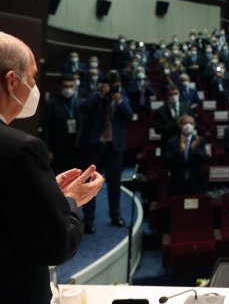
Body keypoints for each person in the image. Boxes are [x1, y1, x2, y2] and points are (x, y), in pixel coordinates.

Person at [0, 32, 104, 304]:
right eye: (32, 77)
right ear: (11, 81)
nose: (34, 87)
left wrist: (44, 195)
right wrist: (69, 199)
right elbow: (58, 245)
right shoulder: (21, 149)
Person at [78, 74, 134, 233]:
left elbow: (129, 115)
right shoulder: (96, 97)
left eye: (117, 85)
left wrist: (118, 100)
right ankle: (89, 220)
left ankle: (115, 215)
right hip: (94, 147)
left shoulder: (123, 99)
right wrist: (100, 95)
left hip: (114, 148)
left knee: (115, 184)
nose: (114, 88)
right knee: (90, 185)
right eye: (112, 85)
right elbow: (82, 108)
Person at [44, 74, 82, 174]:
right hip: (58, 148)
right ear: (60, 87)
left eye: (71, 86)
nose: (68, 89)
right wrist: (48, 150)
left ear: (75, 87)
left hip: (76, 146)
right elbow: (46, 128)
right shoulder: (51, 104)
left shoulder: (80, 103)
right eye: (65, 86)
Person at [163, 115, 209, 196]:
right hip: (177, 182)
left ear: (194, 126)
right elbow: (166, 161)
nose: (188, 126)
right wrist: (179, 151)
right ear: (179, 125)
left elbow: (205, 160)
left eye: (191, 123)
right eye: (185, 123)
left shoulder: (200, 140)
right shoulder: (172, 141)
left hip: (196, 182)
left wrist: (194, 150)